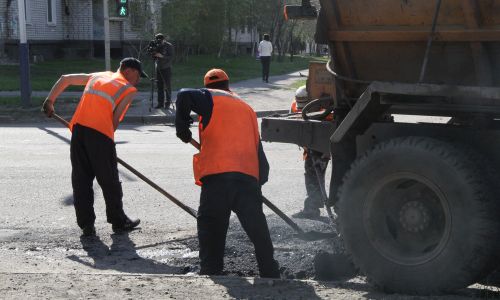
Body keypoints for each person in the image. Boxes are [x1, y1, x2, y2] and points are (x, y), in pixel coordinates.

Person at [175, 68, 280, 278]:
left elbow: (183, 94)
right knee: (257, 228)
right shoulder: (246, 108)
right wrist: (255, 185)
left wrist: (181, 127)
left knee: (211, 224)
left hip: (218, 175)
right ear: (228, 85)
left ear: (207, 86)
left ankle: (211, 270)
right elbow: (259, 153)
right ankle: (269, 270)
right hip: (247, 177)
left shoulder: (210, 97)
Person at [42, 57, 144, 237]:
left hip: (79, 132)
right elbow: (114, 121)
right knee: (109, 181)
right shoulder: (128, 89)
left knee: (81, 180)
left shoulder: (98, 76)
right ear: (129, 71)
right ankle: (118, 221)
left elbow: (65, 79)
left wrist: (50, 101)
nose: (138, 80)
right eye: (138, 75)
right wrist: (106, 145)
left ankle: (86, 225)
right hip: (101, 135)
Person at [290, 86, 330, 219]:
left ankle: (313, 208)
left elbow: (331, 132)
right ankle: (313, 206)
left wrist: (326, 151)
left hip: (322, 145)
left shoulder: (326, 110)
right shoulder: (295, 106)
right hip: (310, 145)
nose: (302, 109)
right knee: (312, 174)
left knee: (315, 174)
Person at [152, 33, 174, 109]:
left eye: (160, 40)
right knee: (159, 87)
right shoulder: (156, 45)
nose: (159, 41)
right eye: (157, 39)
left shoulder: (169, 46)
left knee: (167, 86)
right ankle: (160, 103)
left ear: (163, 39)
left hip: (166, 68)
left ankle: (167, 103)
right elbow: (152, 54)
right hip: (158, 68)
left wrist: (162, 56)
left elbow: (171, 57)